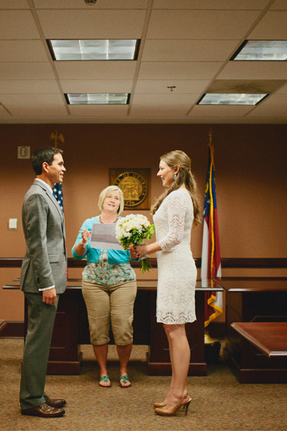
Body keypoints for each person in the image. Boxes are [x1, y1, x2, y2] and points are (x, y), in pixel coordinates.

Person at [131, 150, 201, 417]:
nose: (159, 173)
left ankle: (180, 393)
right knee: (172, 330)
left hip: (178, 267)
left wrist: (146, 249)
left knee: (176, 331)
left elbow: (172, 238)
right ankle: (175, 391)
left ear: (177, 170)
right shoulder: (175, 196)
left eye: (162, 168)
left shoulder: (180, 196)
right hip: (171, 267)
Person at [19, 147, 68, 418]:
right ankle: (31, 400)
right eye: (60, 164)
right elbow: (37, 243)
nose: (63, 168)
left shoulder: (46, 193)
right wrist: (46, 284)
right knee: (37, 343)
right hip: (42, 282)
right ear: (46, 166)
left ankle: (35, 391)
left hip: (46, 279)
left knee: (40, 341)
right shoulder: (37, 195)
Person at [72, 185, 137, 389]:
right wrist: (84, 242)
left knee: (123, 327)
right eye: (109, 197)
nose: (112, 200)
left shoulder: (127, 224)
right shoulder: (89, 223)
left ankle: (124, 371)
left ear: (120, 204)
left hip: (123, 281)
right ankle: (103, 371)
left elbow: (135, 256)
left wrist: (131, 248)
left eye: (116, 198)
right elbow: (76, 254)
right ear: (102, 200)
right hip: (94, 283)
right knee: (98, 329)